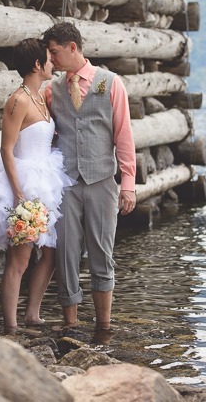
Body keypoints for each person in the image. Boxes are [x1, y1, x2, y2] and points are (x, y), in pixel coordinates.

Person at [0, 38, 74, 334]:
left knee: (52, 252)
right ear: (36, 65)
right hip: (24, 181)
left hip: (47, 179)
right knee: (20, 258)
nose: (53, 63)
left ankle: (33, 314)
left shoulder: (41, 96)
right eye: (49, 58)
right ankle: (12, 327)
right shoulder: (17, 100)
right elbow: (7, 149)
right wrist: (18, 193)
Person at [43, 22, 136, 333]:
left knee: (101, 251)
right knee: (66, 252)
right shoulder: (52, 90)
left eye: (55, 52)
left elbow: (123, 136)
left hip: (101, 182)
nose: (51, 59)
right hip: (66, 184)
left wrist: (128, 185)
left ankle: (104, 326)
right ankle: (70, 324)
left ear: (73, 48)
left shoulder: (110, 83)